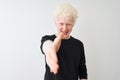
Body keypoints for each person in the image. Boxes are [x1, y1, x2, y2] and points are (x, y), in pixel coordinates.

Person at [40, 3, 88, 80]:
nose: (64, 28)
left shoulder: (79, 45)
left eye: (68, 24)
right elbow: (46, 46)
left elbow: (82, 69)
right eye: (61, 24)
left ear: (73, 24)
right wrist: (51, 48)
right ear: (55, 23)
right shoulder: (48, 39)